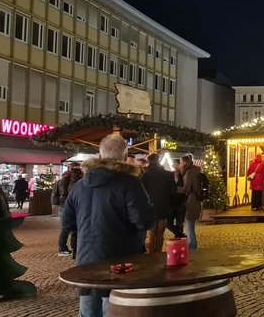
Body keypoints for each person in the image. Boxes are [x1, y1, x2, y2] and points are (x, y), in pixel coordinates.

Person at [61, 134, 154, 316]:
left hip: (86, 260)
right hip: (120, 261)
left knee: (88, 310)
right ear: (124, 156)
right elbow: (143, 220)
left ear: (100, 155)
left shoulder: (80, 185)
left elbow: (66, 222)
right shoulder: (130, 183)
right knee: (115, 309)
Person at [141, 153, 177, 253]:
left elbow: (141, 192)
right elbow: (173, 192)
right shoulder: (168, 175)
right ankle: (159, 254)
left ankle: (151, 256)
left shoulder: (145, 175)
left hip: (150, 208)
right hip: (164, 207)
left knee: (150, 234)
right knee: (160, 234)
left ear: (149, 161)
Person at [55, 163, 83, 257]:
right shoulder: (67, 180)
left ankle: (70, 249)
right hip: (66, 205)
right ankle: (62, 248)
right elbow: (65, 193)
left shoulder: (67, 178)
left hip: (65, 205)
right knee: (67, 228)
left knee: (69, 229)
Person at [178, 155, 201, 250]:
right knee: (191, 226)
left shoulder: (189, 173)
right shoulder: (195, 171)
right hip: (196, 200)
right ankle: (192, 246)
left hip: (191, 201)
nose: (179, 164)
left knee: (190, 227)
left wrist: (177, 189)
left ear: (184, 163)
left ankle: (193, 247)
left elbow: (187, 188)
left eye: (180, 162)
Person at [167, 158, 186, 237]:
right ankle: (180, 234)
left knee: (180, 223)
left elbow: (186, 188)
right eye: (173, 164)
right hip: (170, 203)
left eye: (177, 164)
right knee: (168, 223)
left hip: (181, 203)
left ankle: (179, 242)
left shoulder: (184, 175)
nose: (175, 166)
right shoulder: (169, 175)